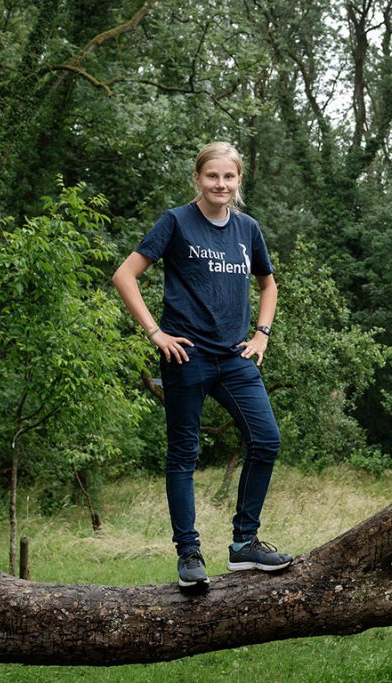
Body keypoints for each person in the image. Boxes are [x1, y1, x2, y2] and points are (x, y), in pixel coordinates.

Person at [112, 141, 292, 588]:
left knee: (266, 440)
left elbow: (269, 286)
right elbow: (124, 275)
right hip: (185, 355)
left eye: (229, 177)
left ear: (239, 180)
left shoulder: (248, 229)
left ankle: (244, 545)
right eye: (212, 176)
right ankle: (189, 554)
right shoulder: (175, 222)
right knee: (183, 454)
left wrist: (261, 336)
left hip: (233, 357)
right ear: (198, 178)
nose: (221, 184)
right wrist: (155, 332)